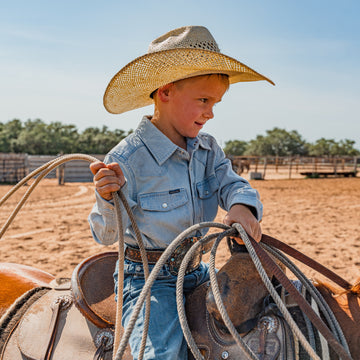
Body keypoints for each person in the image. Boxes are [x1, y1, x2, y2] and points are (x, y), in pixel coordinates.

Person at [88, 25, 274, 360]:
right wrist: (106, 198)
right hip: (147, 280)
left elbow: (231, 183)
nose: (211, 112)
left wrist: (242, 206)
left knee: (271, 311)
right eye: (203, 100)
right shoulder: (126, 160)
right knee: (162, 353)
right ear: (165, 92)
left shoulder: (208, 149)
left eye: (216, 102)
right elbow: (105, 235)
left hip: (195, 269)